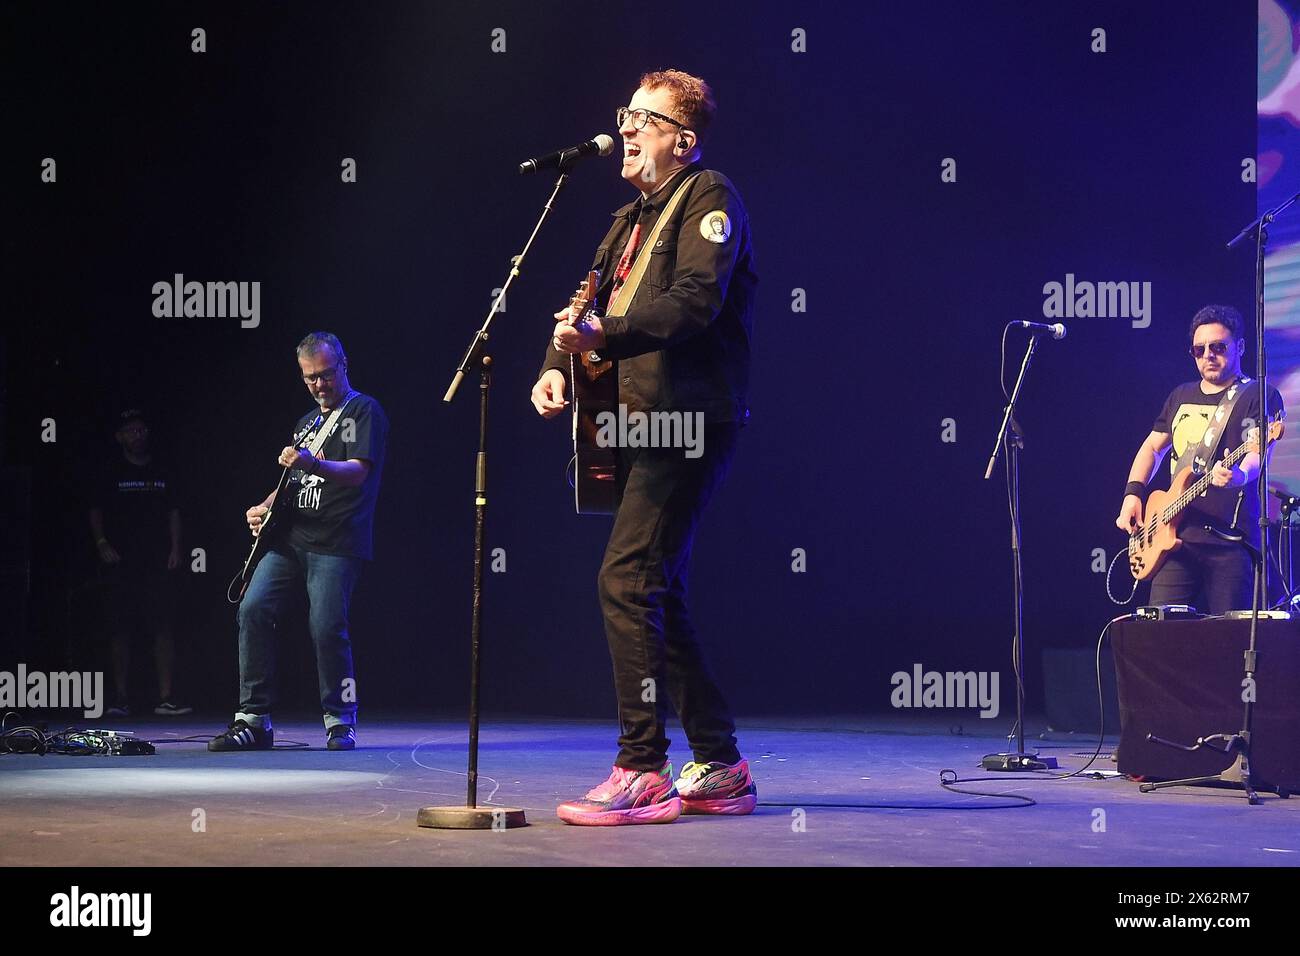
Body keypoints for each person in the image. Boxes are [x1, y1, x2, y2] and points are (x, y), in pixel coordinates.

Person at [530, 69, 758, 825]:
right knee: (658, 588)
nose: (624, 127)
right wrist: (559, 366)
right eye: (623, 113)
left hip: (687, 420)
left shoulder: (709, 196)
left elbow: (696, 300)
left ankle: (643, 766)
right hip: (633, 421)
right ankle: (720, 763)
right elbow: (586, 307)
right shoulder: (626, 221)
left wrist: (605, 337)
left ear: (681, 140)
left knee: (625, 579)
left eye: (642, 117)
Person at [210, 332, 388, 751]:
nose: (318, 385)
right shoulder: (306, 423)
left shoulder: (364, 411)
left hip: (336, 540)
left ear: (343, 365)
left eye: (325, 375)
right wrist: (263, 506)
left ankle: (341, 718)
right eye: (310, 378)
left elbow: (359, 471)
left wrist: (313, 462)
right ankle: (253, 719)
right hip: (291, 538)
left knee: (327, 627)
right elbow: (291, 482)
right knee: (252, 608)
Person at [1116, 305, 1284, 613]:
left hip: (1230, 543)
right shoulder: (1180, 395)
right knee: (1161, 637)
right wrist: (1133, 494)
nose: (1208, 355)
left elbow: (1255, 457)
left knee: (1227, 641)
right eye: (1199, 349)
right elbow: (1152, 448)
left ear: (1240, 347)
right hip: (1175, 539)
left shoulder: (1259, 395)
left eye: (1218, 347)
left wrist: (1238, 477)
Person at [88, 408, 191, 717]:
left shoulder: (162, 469)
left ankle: (166, 697)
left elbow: (174, 512)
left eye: (142, 430)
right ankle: (120, 697)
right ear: (120, 437)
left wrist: (176, 548)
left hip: (158, 561)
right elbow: (95, 510)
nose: (138, 435)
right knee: (120, 629)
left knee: (163, 627)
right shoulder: (110, 470)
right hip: (120, 562)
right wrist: (101, 542)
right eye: (131, 430)